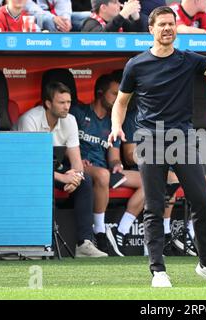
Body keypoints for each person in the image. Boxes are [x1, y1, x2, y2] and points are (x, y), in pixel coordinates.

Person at [109, 6, 206, 288]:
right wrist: (116, 126)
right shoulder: (136, 65)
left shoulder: (188, 60)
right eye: (162, 25)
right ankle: (158, 271)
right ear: (151, 29)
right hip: (150, 139)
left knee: (201, 201)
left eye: (171, 24)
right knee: (154, 205)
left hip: (182, 139)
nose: (168, 29)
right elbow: (121, 102)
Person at [16, 81, 108, 258]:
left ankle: (84, 244)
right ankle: (39, 242)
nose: (67, 107)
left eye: (69, 102)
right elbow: (30, 167)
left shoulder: (70, 120)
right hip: (25, 172)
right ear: (48, 103)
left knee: (85, 181)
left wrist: (76, 178)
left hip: (52, 168)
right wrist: (64, 178)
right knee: (42, 181)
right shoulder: (30, 120)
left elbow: (76, 160)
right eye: (62, 102)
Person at [122, 106, 206, 257]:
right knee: (170, 181)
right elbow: (129, 154)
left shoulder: (176, 117)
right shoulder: (135, 117)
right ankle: (163, 236)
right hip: (147, 168)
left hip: (176, 167)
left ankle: (190, 236)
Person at [70, 72, 145, 257]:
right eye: (114, 94)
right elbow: (68, 145)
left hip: (104, 170)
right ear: (100, 92)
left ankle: (121, 230)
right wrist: (77, 160)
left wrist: (118, 163)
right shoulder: (79, 113)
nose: (117, 98)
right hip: (81, 167)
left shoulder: (115, 121)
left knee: (151, 180)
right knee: (103, 174)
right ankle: (100, 232)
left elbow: (113, 156)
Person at [25, 0, 90, 32]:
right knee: (48, 20)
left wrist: (66, 19)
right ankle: (58, 47)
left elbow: (63, 4)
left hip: (57, 18)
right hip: (33, 19)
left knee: (90, 16)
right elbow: (32, 9)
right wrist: (53, 18)